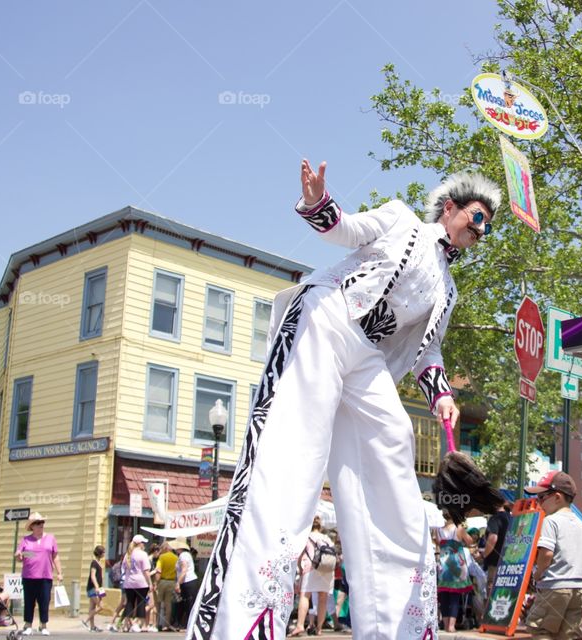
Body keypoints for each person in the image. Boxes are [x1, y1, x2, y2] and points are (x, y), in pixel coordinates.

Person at [186, 160, 500, 640]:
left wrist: (441, 395)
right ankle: (242, 622)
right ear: (451, 208)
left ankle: (398, 626)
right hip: (327, 320)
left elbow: (427, 350)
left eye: (487, 227)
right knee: (295, 455)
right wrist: (317, 201)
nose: (481, 230)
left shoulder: (448, 290)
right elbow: (347, 230)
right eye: (477, 217)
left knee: (394, 444)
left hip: (368, 357)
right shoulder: (401, 221)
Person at [524, 471, 582, 639]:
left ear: (557, 497)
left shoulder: (551, 521)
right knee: (570, 634)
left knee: (541, 629)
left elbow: (546, 554)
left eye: (541, 497)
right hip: (578, 588)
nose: (539, 503)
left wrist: (539, 572)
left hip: (554, 586)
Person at [16, 512, 62, 636]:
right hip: (29, 576)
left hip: (45, 576)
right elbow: (21, 556)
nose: (41, 525)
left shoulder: (51, 538)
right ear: (32, 526)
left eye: (42, 522)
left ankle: (43, 625)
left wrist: (59, 572)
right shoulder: (26, 540)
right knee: (29, 601)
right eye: (37, 523)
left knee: (44, 601)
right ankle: (28, 624)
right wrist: (21, 556)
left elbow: (55, 556)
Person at [290, 518, 335, 637]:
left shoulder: (307, 536)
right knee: (323, 598)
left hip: (311, 567)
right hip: (327, 569)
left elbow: (299, 554)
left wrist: (300, 566)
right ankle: (319, 628)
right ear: (320, 526)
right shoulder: (327, 538)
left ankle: (300, 625)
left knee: (305, 596)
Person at [436, 514, 474, 632]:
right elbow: (470, 541)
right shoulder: (459, 528)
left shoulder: (438, 529)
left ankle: (446, 623)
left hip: (444, 564)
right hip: (457, 565)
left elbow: (438, 543)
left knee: (444, 596)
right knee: (455, 596)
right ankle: (451, 626)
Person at [121, 534, 154, 633]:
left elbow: (123, 568)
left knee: (129, 603)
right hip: (141, 582)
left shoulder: (128, 554)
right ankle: (143, 625)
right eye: (143, 543)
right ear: (139, 544)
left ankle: (126, 625)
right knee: (141, 603)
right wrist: (150, 583)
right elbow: (146, 571)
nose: (144, 545)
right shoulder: (143, 554)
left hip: (129, 582)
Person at [482, 501, 510, 597]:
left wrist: (484, 554)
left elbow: (493, 538)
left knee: (493, 591)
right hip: (511, 563)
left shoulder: (495, 518)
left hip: (495, 563)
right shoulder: (512, 518)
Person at [173, 538, 199, 630]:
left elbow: (184, 570)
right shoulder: (185, 555)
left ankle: (189, 624)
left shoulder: (183, 555)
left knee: (188, 603)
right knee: (186, 603)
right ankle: (186, 624)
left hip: (188, 581)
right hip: (187, 581)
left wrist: (178, 583)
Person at [82, 545, 106, 632]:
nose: (104, 554)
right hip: (93, 588)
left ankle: (92, 627)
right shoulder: (94, 563)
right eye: (103, 552)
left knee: (92, 607)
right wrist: (97, 587)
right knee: (101, 606)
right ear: (100, 553)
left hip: (98, 588)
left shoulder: (99, 563)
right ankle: (85, 621)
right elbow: (93, 576)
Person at [155, 541, 179, 631]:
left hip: (162, 581)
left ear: (165, 548)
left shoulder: (162, 557)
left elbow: (158, 570)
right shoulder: (176, 558)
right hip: (172, 582)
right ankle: (166, 624)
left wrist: (155, 583)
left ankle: (157, 623)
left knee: (158, 602)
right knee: (168, 604)